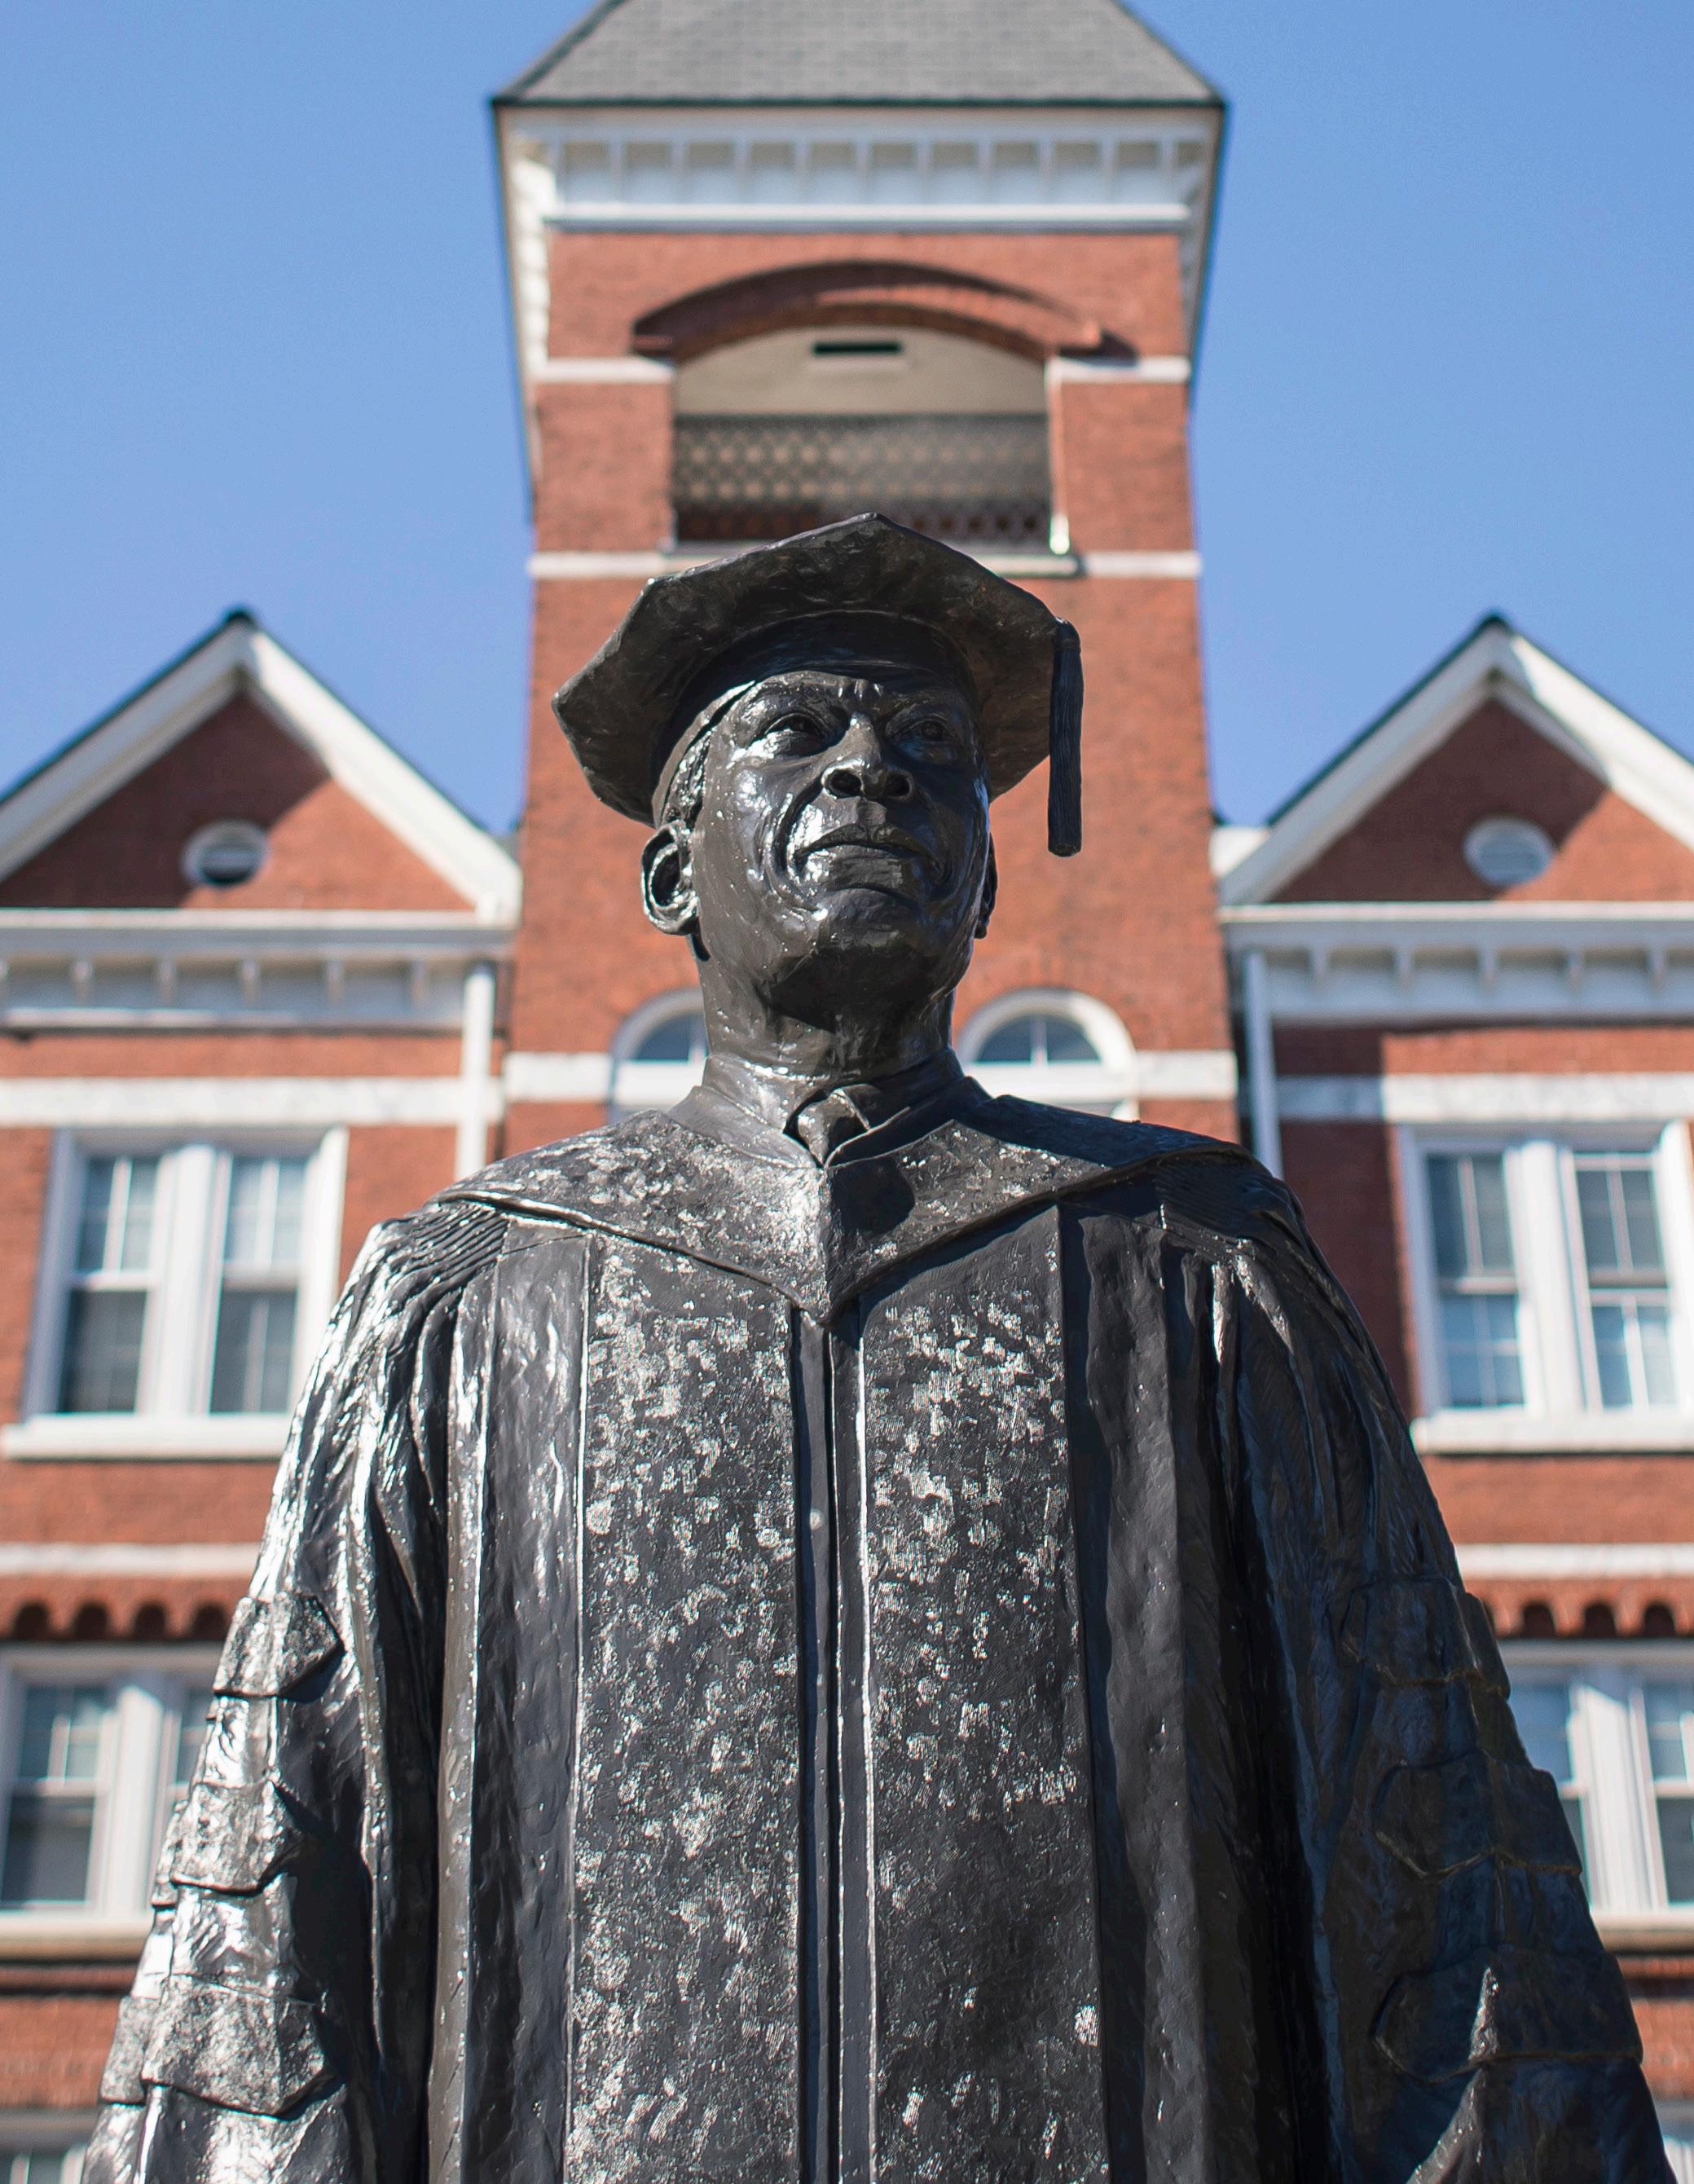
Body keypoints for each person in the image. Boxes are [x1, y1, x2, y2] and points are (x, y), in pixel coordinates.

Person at [88, 516, 1667, 2182]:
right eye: (792, 732)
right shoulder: (471, 1297)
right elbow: (286, 1865)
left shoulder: (1183, 1255)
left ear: (985, 880)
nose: (867, 773)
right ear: (667, 866)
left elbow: (1426, 1851)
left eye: (928, 749)